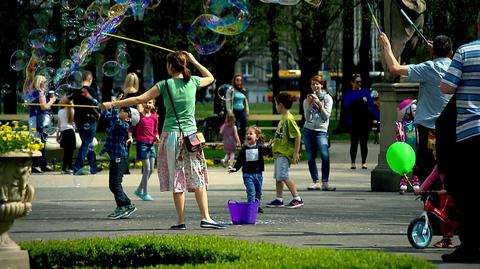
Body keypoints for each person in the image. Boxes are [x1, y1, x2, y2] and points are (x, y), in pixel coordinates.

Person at [100, 51, 224, 229]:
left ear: (171, 67)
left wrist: (113, 104)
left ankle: (181, 221)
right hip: (191, 136)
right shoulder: (193, 81)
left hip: (171, 136)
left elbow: (139, 99)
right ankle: (206, 217)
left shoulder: (165, 84)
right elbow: (210, 77)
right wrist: (193, 60)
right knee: (198, 176)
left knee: (177, 178)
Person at [379, 32, 453, 184]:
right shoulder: (456, 68)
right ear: (451, 52)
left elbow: (395, 68)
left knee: (428, 168)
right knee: (447, 167)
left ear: (432, 51)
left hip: (428, 128)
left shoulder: (429, 68)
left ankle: (430, 201)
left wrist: (386, 46)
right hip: (451, 128)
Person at [439, 12, 480, 263]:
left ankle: (470, 247)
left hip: (470, 132)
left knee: (468, 194)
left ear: (477, 25)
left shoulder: (465, 52)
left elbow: (447, 87)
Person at [100, 105, 140, 219]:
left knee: (115, 184)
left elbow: (116, 119)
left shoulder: (124, 126)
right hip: (115, 158)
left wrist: (115, 106)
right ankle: (125, 205)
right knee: (113, 184)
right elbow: (106, 114)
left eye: (125, 111)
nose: (122, 110)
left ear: (128, 118)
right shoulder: (116, 122)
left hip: (120, 158)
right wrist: (101, 106)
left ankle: (124, 206)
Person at [266, 93, 304, 209]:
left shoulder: (289, 119)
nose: (275, 106)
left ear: (280, 105)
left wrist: (296, 152)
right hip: (278, 152)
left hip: (284, 153)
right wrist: (274, 142)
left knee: (283, 175)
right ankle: (279, 198)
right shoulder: (283, 118)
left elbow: (297, 136)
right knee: (278, 177)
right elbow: (282, 134)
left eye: (276, 104)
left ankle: (297, 198)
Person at [65, 70, 102, 176]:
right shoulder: (91, 90)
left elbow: (65, 100)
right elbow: (97, 104)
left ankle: (93, 166)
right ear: (90, 80)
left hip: (78, 120)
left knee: (88, 143)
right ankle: (77, 167)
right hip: (90, 119)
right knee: (86, 143)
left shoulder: (75, 90)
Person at [302, 75, 335, 191]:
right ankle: (316, 182)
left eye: (317, 84)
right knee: (310, 157)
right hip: (308, 130)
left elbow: (326, 117)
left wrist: (319, 105)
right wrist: (309, 105)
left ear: (322, 85)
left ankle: (325, 182)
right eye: (313, 84)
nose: (315, 86)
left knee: (325, 156)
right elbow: (307, 118)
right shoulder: (307, 99)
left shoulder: (328, 98)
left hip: (321, 131)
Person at [229, 126, 271, 213]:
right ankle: (251, 208)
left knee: (258, 192)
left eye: (251, 133)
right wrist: (235, 168)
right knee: (251, 191)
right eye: (247, 134)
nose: (248, 135)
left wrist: (269, 147)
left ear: (257, 137)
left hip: (258, 174)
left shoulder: (260, 147)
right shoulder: (244, 149)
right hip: (247, 174)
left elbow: (267, 152)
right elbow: (240, 161)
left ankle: (256, 205)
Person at [343, 74, 379, 169]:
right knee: (354, 143)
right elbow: (347, 105)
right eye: (357, 82)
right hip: (354, 121)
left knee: (364, 143)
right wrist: (359, 101)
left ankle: (364, 162)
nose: (359, 84)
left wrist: (379, 117)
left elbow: (371, 106)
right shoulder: (348, 93)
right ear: (352, 83)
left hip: (365, 121)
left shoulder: (365, 92)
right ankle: (353, 162)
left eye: (360, 82)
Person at [131, 99, 159, 201]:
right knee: (146, 169)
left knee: (151, 169)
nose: (147, 104)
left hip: (151, 145)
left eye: (150, 102)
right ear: (142, 104)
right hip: (141, 144)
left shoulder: (155, 117)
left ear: (153, 104)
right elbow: (131, 128)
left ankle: (139, 189)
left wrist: (157, 137)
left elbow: (155, 131)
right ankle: (145, 193)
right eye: (145, 102)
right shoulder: (138, 116)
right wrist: (130, 137)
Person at [28, 75, 56, 173]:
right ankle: (37, 164)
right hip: (40, 118)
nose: (47, 83)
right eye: (45, 81)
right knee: (40, 141)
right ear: (40, 82)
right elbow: (44, 107)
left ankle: (42, 163)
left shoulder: (34, 93)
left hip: (36, 118)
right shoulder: (41, 92)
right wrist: (52, 100)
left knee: (39, 140)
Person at [117, 72, 142, 175]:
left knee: (124, 145)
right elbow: (140, 109)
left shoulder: (121, 93)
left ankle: (122, 167)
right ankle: (142, 165)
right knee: (138, 144)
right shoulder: (138, 94)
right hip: (134, 122)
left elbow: (117, 107)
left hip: (122, 121)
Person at [395, 98, 419, 194]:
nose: (415, 113)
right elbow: (399, 135)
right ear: (407, 111)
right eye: (414, 111)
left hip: (415, 147)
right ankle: (403, 182)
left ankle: (416, 182)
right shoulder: (401, 124)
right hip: (406, 147)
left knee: (416, 165)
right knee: (405, 165)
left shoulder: (417, 122)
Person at [226, 74, 249, 143]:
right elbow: (228, 101)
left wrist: (247, 112)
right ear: (234, 81)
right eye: (237, 80)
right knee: (233, 127)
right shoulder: (231, 90)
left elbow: (246, 102)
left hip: (242, 110)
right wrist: (230, 112)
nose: (239, 82)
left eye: (240, 80)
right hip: (234, 111)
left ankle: (241, 142)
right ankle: (233, 142)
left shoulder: (243, 90)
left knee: (243, 126)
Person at [56, 98, 76, 174]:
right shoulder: (72, 110)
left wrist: (57, 134)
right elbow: (73, 123)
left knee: (66, 152)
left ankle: (64, 168)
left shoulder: (60, 111)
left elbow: (59, 123)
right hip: (70, 132)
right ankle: (70, 168)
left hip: (63, 132)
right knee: (70, 152)